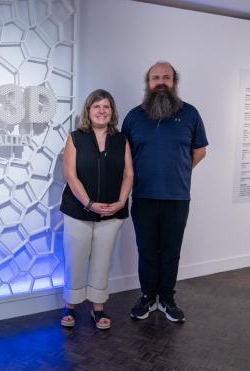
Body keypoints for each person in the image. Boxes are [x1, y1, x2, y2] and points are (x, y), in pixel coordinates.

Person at [122, 61, 208, 323]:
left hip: (177, 197)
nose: (161, 82)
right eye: (155, 78)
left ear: (174, 82)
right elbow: (124, 157)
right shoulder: (134, 116)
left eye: (166, 77)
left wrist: (178, 171)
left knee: (171, 251)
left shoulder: (190, 114)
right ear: (148, 83)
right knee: (146, 249)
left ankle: (167, 299)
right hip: (144, 197)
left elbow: (200, 151)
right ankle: (148, 297)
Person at [60, 89, 133, 329]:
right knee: (75, 260)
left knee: (102, 261)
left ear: (112, 112)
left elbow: (128, 174)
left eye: (106, 107)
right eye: (96, 107)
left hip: (112, 213)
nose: (102, 111)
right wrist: (89, 204)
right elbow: (70, 176)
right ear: (88, 111)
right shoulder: (75, 138)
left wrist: (121, 202)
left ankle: (98, 309)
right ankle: (70, 305)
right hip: (78, 211)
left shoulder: (121, 140)